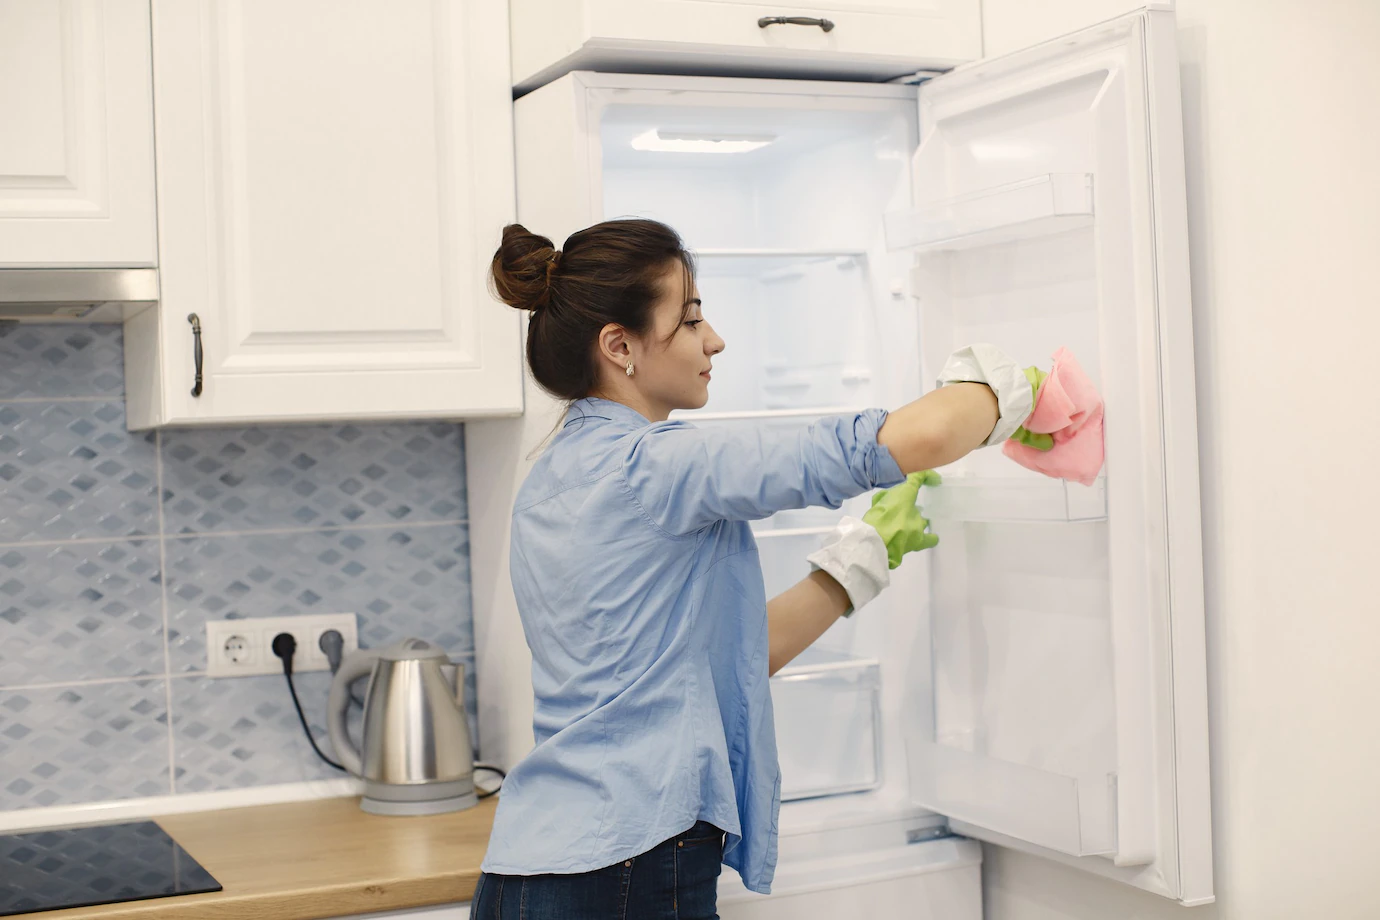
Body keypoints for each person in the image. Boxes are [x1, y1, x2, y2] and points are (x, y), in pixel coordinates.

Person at [471, 219, 1036, 920]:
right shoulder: (661, 465)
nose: (714, 340)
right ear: (619, 346)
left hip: (524, 874)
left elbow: (719, 660)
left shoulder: (549, 480)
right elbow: (908, 438)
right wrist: (1015, 389)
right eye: (691, 319)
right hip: (629, 865)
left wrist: (857, 562)